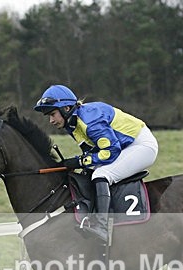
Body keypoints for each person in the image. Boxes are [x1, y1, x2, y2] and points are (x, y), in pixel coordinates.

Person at [33, 84, 158, 243]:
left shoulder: (89, 120)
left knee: (101, 174)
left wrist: (80, 161)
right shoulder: (73, 123)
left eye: (53, 114)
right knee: (89, 173)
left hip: (141, 146)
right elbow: (93, 152)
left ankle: (102, 226)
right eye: (48, 116)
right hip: (125, 146)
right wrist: (82, 162)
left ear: (66, 108)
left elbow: (110, 151)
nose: (51, 120)